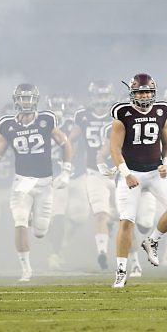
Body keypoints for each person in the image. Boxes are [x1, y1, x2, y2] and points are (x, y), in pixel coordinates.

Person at [0, 83, 73, 283]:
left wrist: (66, 170)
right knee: (20, 221)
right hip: (21, 183)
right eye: (22, 98)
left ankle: (35, 218)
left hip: (44, 184)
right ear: (16, 101)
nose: (26, 102)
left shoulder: (46, 120)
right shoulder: (8, 125)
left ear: (36, 100)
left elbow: (66, 144)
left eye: (29, 98)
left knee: (41, 232)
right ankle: (26, 269)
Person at [109, 73, 167, 288]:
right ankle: (122, 270)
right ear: (132, 94)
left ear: (154, 93)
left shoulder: (162, 110)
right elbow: (114, 148)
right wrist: (126, 173)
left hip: (155, 172)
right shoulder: (122, 113)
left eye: (148, 92)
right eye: (140, 92)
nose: (144, 96)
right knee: (126, 221)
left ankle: (152, 240)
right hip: (131, 172)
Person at [70, 81, 117, 269]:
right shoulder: (83, 116)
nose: (102, 99)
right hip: (95, 172)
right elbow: (71, 140)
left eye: (105, 96)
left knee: (126, 216)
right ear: (92, 97)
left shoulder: (118, 114)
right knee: (100, 214)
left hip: (118, 172)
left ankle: (134, 259)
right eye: (99, 95)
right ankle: (102, 253)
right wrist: (67, 162)